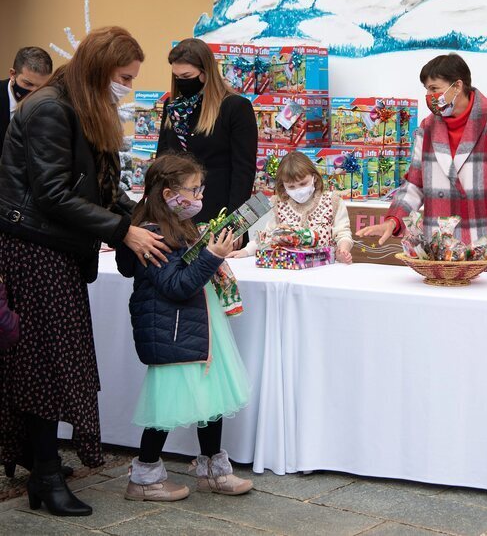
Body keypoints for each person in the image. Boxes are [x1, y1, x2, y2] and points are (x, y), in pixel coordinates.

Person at [0, 27, 170, 517]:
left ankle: (44, 470)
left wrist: (143, 217)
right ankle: (47, 476)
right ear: (99, 70)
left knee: (51, 364)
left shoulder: (80, 105)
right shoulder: (51, 108)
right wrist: (124, 232)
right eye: (123, 77)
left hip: (53, 249)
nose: (127, 87)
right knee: (45, 366)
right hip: (33, 251)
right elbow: (53, 194)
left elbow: (98, 185)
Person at [118, 154, 252, 501]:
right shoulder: (150, 236)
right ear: (167, 195)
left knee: (213, 398)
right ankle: (144, 477)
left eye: (200, 189)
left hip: (195, 328)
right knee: (165, 406)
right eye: (193, 190)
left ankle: (213, 470)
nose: (199, 198)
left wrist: (212, 248)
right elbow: (176, 285)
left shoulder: (177, 225)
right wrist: (212, 256)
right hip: (172, 331)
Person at [357, 54, 487, 273]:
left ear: (457, 86)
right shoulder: (427, 127)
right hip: (438, 248)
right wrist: (393, 220)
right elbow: (414, 185)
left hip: (485, 244)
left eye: (434, 89)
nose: (429, 96)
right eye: (426, 90)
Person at [157, 38, 258, 226]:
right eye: (177, 77)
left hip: (219, 212)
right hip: (176, 214)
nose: (181, 82)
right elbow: (161, 161)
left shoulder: (235, 107)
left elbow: (243, 171)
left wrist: (234, 223)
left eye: (187, 77)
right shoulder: (172, 107)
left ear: (205, 73)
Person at [230, 151, 354, 262]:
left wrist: (343, 250)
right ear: (283, 185)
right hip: (290, 269)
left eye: (303, 183)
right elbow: (268, 235)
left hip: (325, 267)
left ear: (314, 177)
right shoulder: (279, 205)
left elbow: (343, 233)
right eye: (291, 187)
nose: (298, 190)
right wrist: (246, 251)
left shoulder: (333, 202)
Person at [1, 46, 53, 155]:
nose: (34, 92)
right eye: (28, 84)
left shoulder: (50, 105)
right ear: (12, 74)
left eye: (41, 87)